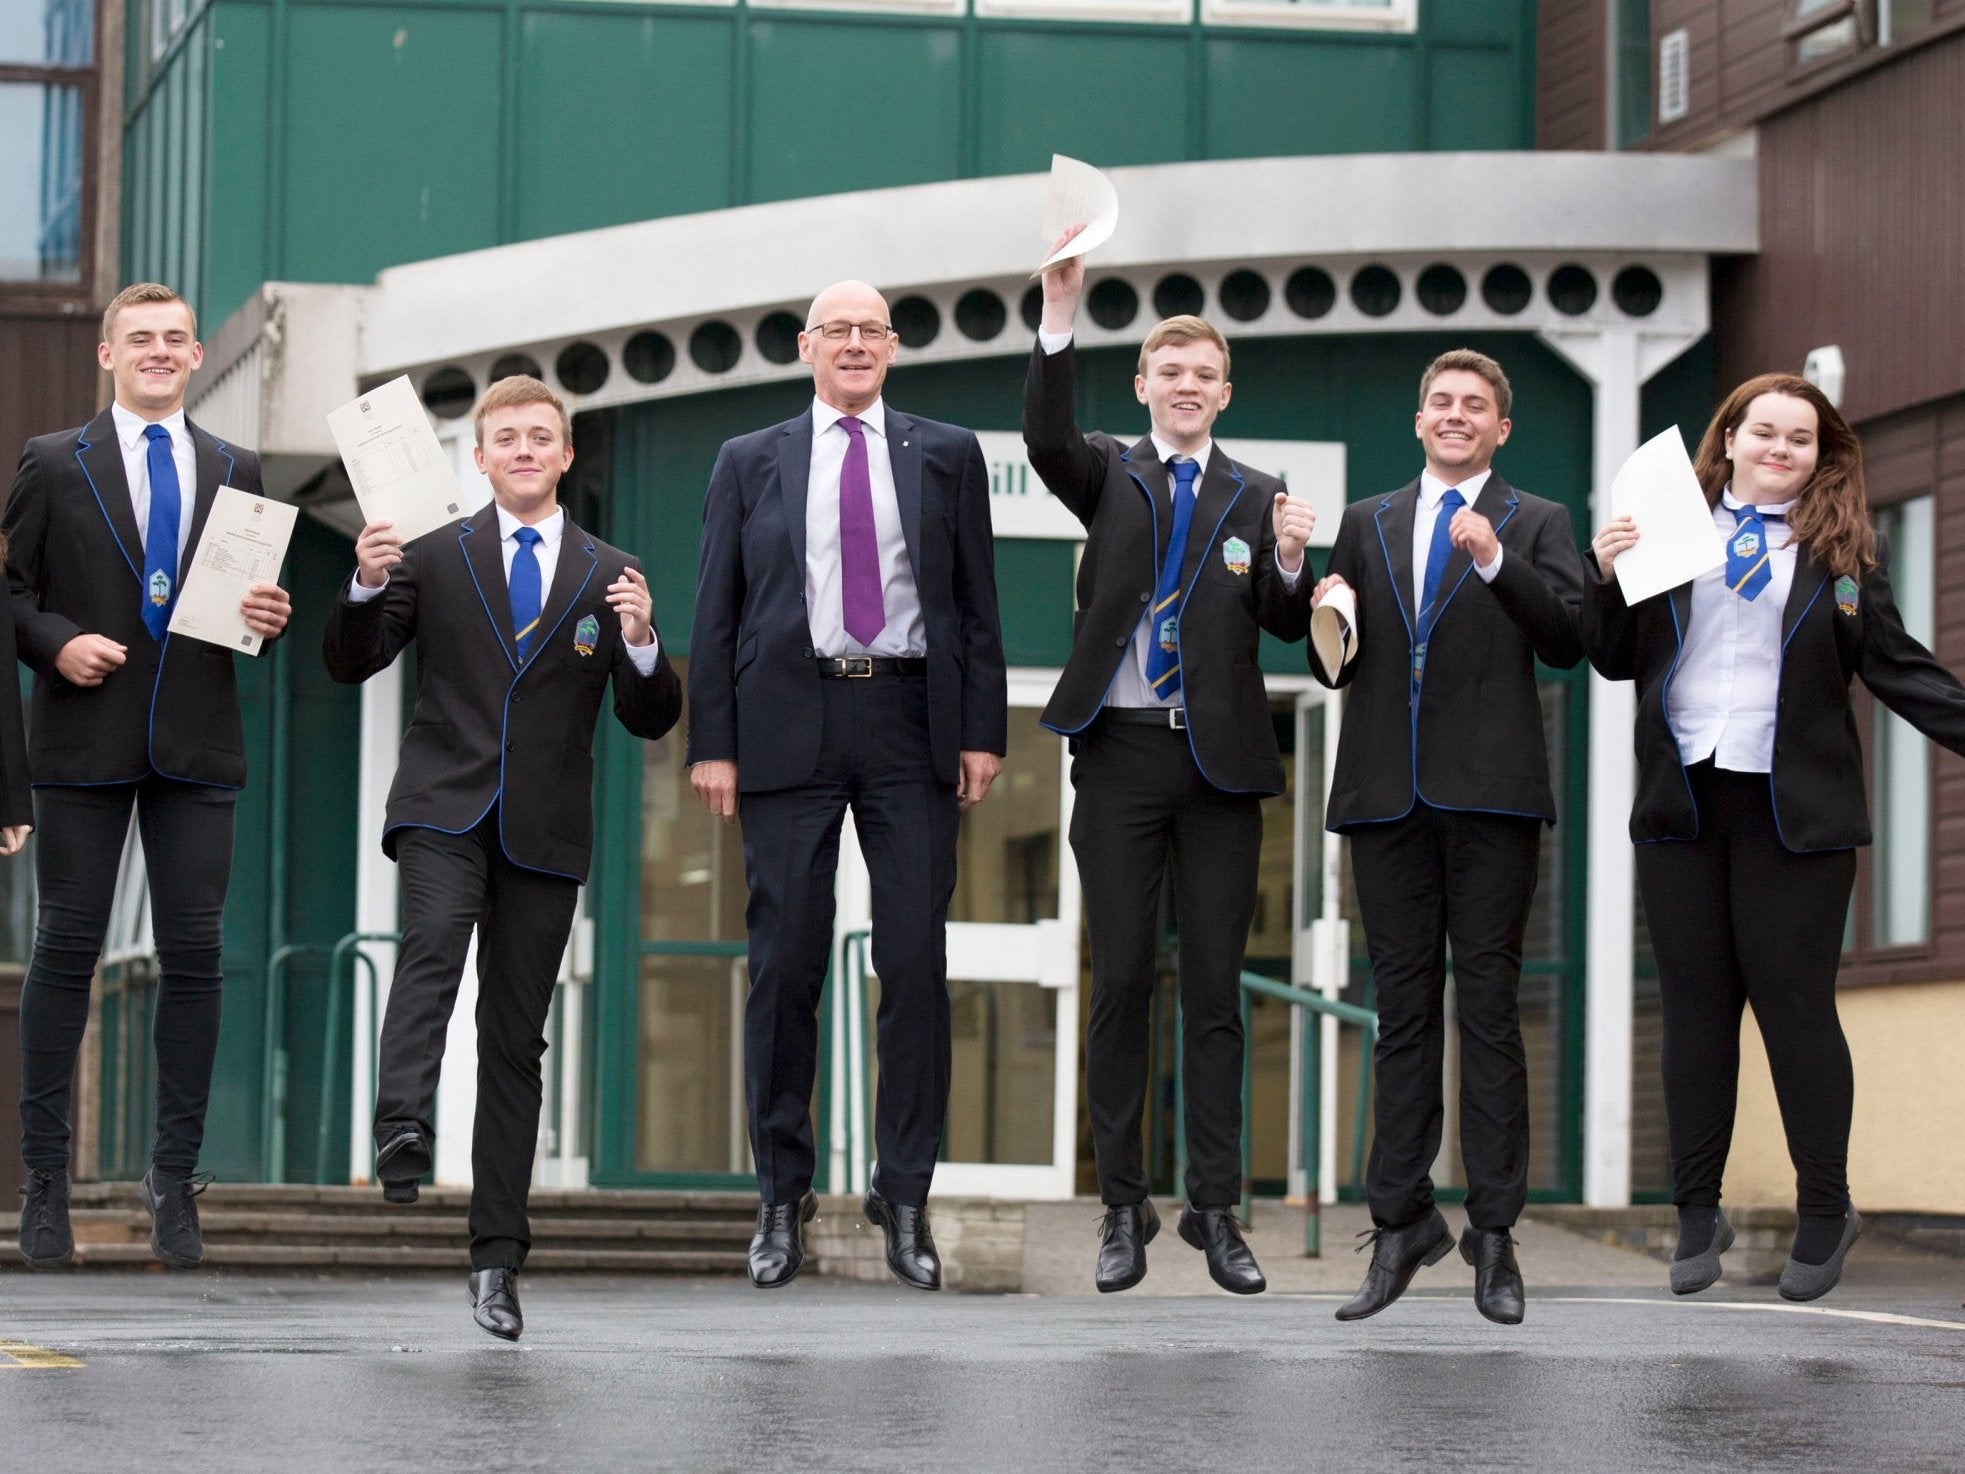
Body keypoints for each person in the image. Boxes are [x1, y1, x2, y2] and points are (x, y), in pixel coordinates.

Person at [1586, 373, 1965, 1302]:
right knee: (1696, 1012)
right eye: (1764, 432)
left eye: (1801, 439)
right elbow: (1608, 656)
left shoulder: (1841, 557)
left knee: (1795, 1011)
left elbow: (1900, 671)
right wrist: (1604, 575)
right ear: (1731, 438)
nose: (1780, 450)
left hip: (1795, 815)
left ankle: (1825, 1207)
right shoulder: (1666, 530)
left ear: (1819, 455)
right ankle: (1693, 1208)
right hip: (1682, 804)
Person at [323, 375, 680, 1339]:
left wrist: (644, 645)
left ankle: (495, 1261)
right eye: (505, 438)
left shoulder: (613, 574)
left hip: (544, 831)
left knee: (515, 1038)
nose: (523, 450)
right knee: (433, 943)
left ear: (566, 455)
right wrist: (362, 582)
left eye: (541, 437)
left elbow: (648, 720)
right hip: (444, 805)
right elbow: (351, 660)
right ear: (477, 459)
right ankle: (401, 1124)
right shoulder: (430, 557)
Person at [687, 280, 1006, 1293]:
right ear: (806, 346)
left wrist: (984, 732)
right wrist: (714, 741)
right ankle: (781, 1193)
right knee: (785, 965)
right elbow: (717, 609)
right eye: (839, 330)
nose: (857, 344)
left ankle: (903, 1195)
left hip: (912, 721)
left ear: (896, 348)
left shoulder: (948, 453)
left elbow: (977, 602)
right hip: (789, 721)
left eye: (873, 330)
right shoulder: (749, 460)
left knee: (914, 961)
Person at [1026, 235, 1316, 1295]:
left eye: (1205, 375)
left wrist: (1290, 559)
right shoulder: (1108, 470)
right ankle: (1120, 1206)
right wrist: (1059, 317)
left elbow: (1285, 622)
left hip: (1221, 771)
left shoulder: (1260, 492)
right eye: (1170, 372)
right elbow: (1043, 434)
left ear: (1225, 391)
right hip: (1121, 758)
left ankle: (1216, 1208)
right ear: (1143, 385)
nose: (1187, 387)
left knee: (1214, 995)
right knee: (1122, 983)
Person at [7, 282, 292, 1271]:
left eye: (176, 339)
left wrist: (266, 615)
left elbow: (242, 599)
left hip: (198, 740)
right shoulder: (52, 462)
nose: (160, 351)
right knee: (68, 948)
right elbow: (11, 590)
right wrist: (55, 644)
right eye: (142, 339)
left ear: (198, 352)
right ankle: (45, 1183)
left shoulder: (236, 466)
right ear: (108, 354)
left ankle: (176, 1181)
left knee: (196, 955)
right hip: (86, 735)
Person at [1312, 349, 1584, 1325]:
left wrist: (1494, 562)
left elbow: (1567, 637)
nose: (1457, 415)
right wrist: (1324, 611)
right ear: (1419, 419)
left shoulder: (1537, 522)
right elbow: (1338, 650)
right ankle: (1398, 1223)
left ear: (1501, 428)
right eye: (1442, 402)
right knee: (1403, 1017)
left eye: (1476, 405)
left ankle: (1496, 1237)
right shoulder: (1367, 521)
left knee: (1490, 1015)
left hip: (1492, 801)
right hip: (1387, 798)